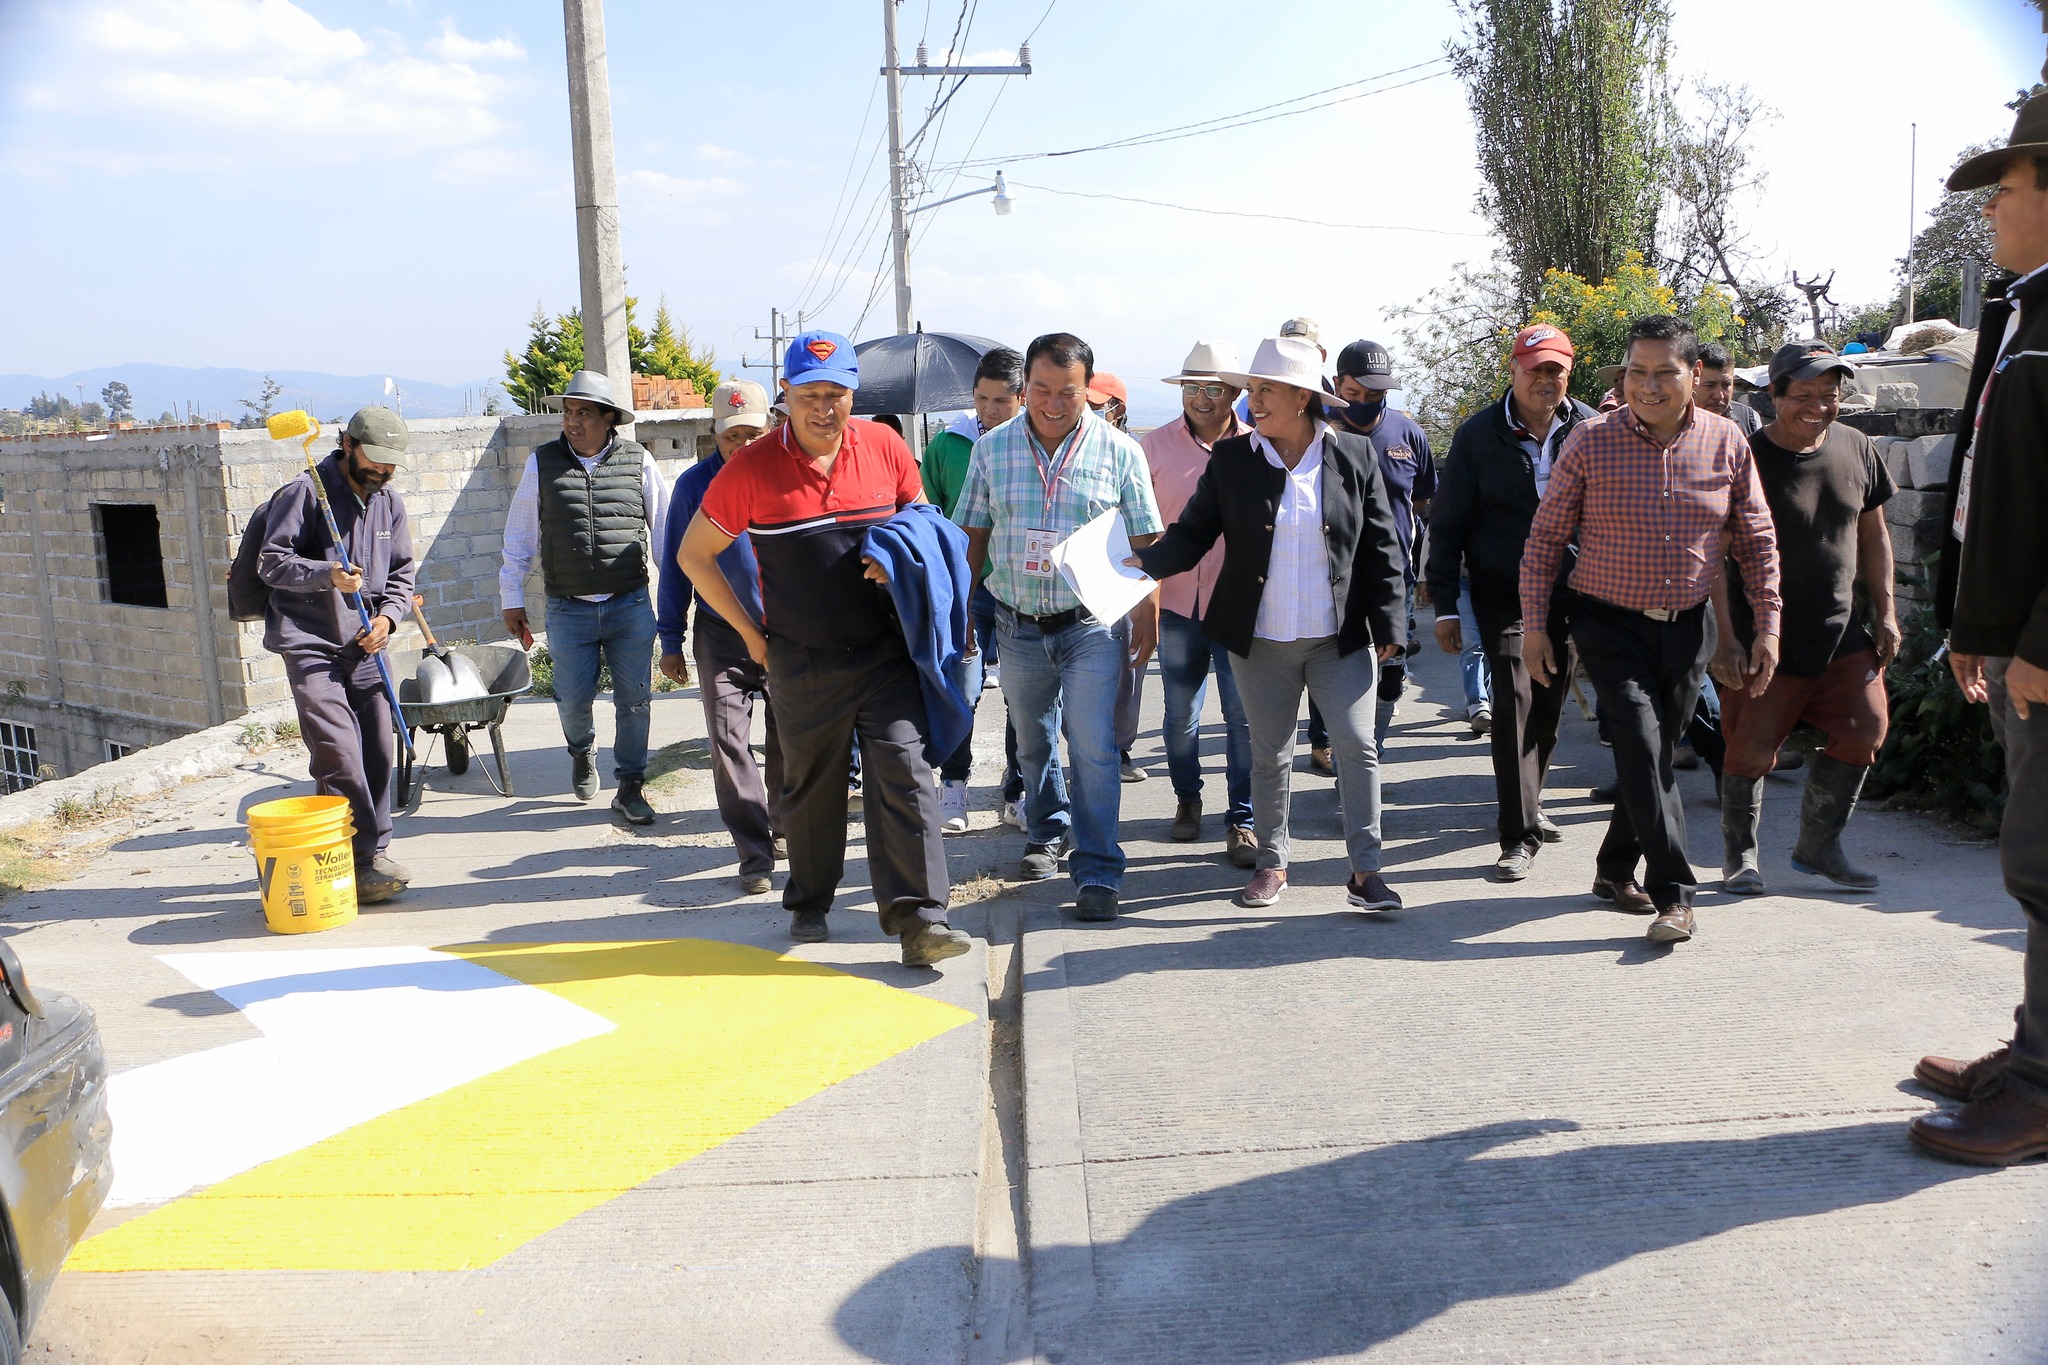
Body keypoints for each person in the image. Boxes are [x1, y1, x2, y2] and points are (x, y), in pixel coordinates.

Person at [678, 330, 971, 968]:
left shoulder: (887, 447)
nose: (824, 407)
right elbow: (694, 556)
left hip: (884, 653)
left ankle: (922, 920)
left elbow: (923, 528)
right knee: (811, 792)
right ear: (785, 394)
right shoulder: (749, 469)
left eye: (836, 394)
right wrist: (754, 636)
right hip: (800, 658)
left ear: (853, 393)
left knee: (906, 773)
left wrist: (901, 565)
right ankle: (809, 898)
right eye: (810, 394)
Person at [1522, 315, 1781, 946]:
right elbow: (1547, 539)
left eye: (1666, 372)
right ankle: (1675, 892)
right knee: (1640, 745)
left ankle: (1614, 869)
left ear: (1694, 375)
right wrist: (1535, 627)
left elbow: (1756, 538)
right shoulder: (1589, 441)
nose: (1650, 386)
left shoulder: (1727, 443)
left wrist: (1767, 623)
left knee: (1656, 758)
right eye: (1638, 372)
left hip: (1689, 627)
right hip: (1607, 622)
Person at [1135, 336, 1408, 913]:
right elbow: (1192, 533)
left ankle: (1366, 872)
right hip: (1260, 641)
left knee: (1358, 748)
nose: (1252, 401)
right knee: (1270, 754)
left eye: (1266, 390)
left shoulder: (1354, 454)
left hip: (1339, 640)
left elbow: (1383, 546)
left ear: (1304, 396)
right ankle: (1272, 863)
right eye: (1251, 389)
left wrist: (1391, 625)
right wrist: (1140, 564)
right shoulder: (1234, 461)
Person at [1912, 99, 2048, 1163]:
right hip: (2014, 644)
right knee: (2034, 859)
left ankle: (2044, 1091)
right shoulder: (2024, 311)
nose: (1990, 208)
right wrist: (1976, 622)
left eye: (2004, 188)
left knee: (2046, 864)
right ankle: (2035, 1053)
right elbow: (1991, 488)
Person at [955, 332, 1163, 922]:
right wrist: (960, 617)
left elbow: (1147, 540)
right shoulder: (991, 450)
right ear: (1025, 389)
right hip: (1016, 623)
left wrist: (1147, 613)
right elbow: (972, 538)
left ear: (1087, 391)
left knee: (1094, 745)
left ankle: (1098, 868)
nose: (1051, 403)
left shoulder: (1121, 452)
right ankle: (1047, 830)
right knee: (1034, 738)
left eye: (1065, 393)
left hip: (1091, 625)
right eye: (1039, 390)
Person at [1715, 343, 1897, 896]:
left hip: (1841, 632)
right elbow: (1714, 558)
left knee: (1867, 728)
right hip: (1766, 639)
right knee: (1750, 751)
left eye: (1829, 394)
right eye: (1803, 395)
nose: (1818, 406)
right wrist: (1725, 639)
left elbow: (1875, 534)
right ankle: (1740, 857)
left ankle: (1818, 846)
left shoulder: (1855, 446)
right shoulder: (1744, 459)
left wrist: (1886, 611)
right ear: (1773, 396)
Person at [1427, 324, 1598, 881]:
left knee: (1549, 706)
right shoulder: (1478, 435)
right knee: (1515, 699)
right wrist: (1447, 603)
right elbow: (1448, 522)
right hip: (1503, 588)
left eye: (1556, 369)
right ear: (1513, 369)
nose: (1545, 379)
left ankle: (1530, 801)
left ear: (1569, 371)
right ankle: (1517, 833)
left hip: (1574, 590)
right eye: (1535, 369)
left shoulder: (1592, 427)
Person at [257, 406, 418, 904]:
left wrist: (388, 620)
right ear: (347, 444)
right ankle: (357, 857)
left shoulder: (388, 502)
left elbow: (401, 576)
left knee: (377, 751)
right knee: (339, 754)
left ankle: (371, 853)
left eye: (392, 463)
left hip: (366, 642)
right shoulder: (305, 494)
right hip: (311, 643)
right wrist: (325, 573)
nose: (383, 470)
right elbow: (271, 563)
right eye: (375, 459)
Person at [499, 369, 668, 825]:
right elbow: (519, 537)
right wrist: (511, 597)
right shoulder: (542, 463)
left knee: (634, 700)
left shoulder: (638, 461)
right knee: (572, 700)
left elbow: (665, 536)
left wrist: (673, 598)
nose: (573, 422)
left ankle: (630, 785)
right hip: (568, 609)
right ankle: (582, 751)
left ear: (609, 418)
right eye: (568, 412)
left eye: (584, 413)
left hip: (629, 604)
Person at [656, 379, 784, 897]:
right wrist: (670, 638)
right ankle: (753, 854)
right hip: (720, 635)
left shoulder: (786, 480)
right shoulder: (693, 487)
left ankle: (786, 827)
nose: (743, 446)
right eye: (733, 437)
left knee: (790, 741)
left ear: (770, 428)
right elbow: (676, 566)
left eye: (753, 434)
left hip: (785, 633)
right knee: (729, 743)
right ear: (715, 432)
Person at [1139, 341, 1257, 865]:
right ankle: (1187, 799)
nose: (1202, 399)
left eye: (1213, 389)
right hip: (1177, 603)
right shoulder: (1153, 447)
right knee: (1180, 718)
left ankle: (1243, 819)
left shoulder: (1260, 447)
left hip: (1239, 605)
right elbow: (1138, 530)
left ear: (1234, 392)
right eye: (1193, 389)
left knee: (1242, 716)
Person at [921, 346, 1027, 834]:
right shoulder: (948, 445)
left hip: (1017, 589)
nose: (989, 410)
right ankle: (955, 786)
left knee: (1021, 695)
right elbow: (926, 514)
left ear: (1022, 398)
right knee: (961, 690)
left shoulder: (1031, 446)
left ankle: (1018, 789)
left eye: (1001, 401)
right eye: (981, 399)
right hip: (963, 590)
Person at [1331, 339, 1434, 757]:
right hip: (1334, 578)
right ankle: (1337, 748)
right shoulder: (1318, 432)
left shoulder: (1407, 433)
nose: (1363, 404)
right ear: (1337, 385)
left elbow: (1422, 500)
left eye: (1374, 396)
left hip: (1395, 580)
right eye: (1354, 395)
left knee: (1390, 674)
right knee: (1335, 675)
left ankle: (1368, 753)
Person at [1087, 370, 1146, 781]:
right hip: (1072, 576)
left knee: (1126, 671)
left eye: (1093, 405)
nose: (1083, 411)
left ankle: (1119, 750)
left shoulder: (1129, 453)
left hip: (1120, 577)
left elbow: (1146, 532)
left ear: (1115, 409)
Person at [1695, 343, 1763, 435]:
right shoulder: (1674, 424)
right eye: (1710, 385)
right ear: (1692, 382)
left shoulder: (1748, 420)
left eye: (1726, 385)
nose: (1719, 395)